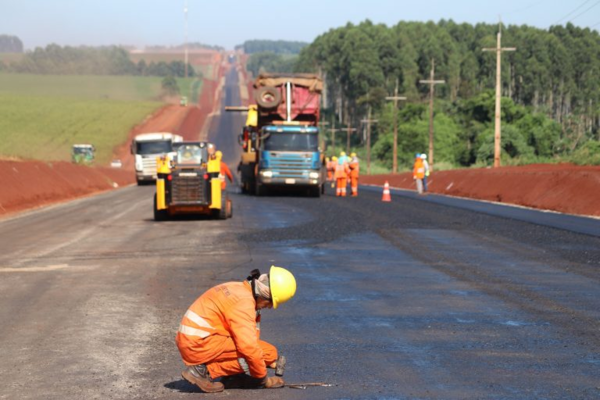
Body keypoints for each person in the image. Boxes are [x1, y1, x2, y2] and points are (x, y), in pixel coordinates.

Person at [176, 266, 297, 393]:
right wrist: (264, 380)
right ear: (265, 294)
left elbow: (249, 337)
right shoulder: (244, 303)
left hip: (195, 339)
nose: (270, 307)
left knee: (265, 355)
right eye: (271, 302)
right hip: (199, 344)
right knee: (267, 353)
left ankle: (232, 376)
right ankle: (202, 371)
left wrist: (266, 362)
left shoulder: (239, 289)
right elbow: (249, 348)